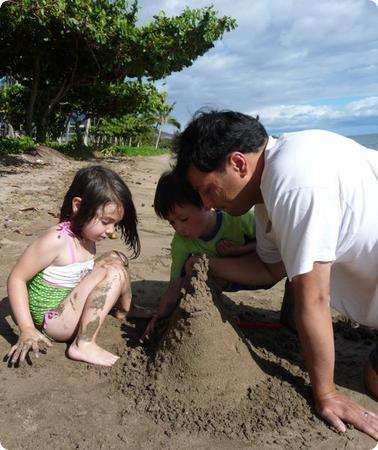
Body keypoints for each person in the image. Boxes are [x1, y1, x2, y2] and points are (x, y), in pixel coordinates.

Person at [172, 109, 378, 439]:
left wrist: (326, 395)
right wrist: (204, 265)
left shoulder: (294, 181)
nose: (207, 204)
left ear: (238, 164)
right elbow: (269, 269)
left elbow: (314, 297)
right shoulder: (269, 188)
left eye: (207, 189)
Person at [7, 165, 149, 367]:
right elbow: (16, 278)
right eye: (106, 221)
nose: (112, 231)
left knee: (117, 258)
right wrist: (27, 328)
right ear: (78, 206)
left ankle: (125, 310)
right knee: (114, 272)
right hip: (54, 320)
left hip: (69, 304)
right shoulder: (56, 240)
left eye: (115, 224)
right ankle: (83, 344)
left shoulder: (86, 235)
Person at [141, 169, 268, 342]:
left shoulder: (239, 218)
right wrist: (160, 316)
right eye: (172, 222)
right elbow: (174, 285)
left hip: (261, 272)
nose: (178, 228)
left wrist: (239, 250)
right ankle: (212, 315)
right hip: (225, 280)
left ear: (205, 204)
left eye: (183, 219)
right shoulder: (181, 243)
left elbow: (274, 246)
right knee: (191, 270)